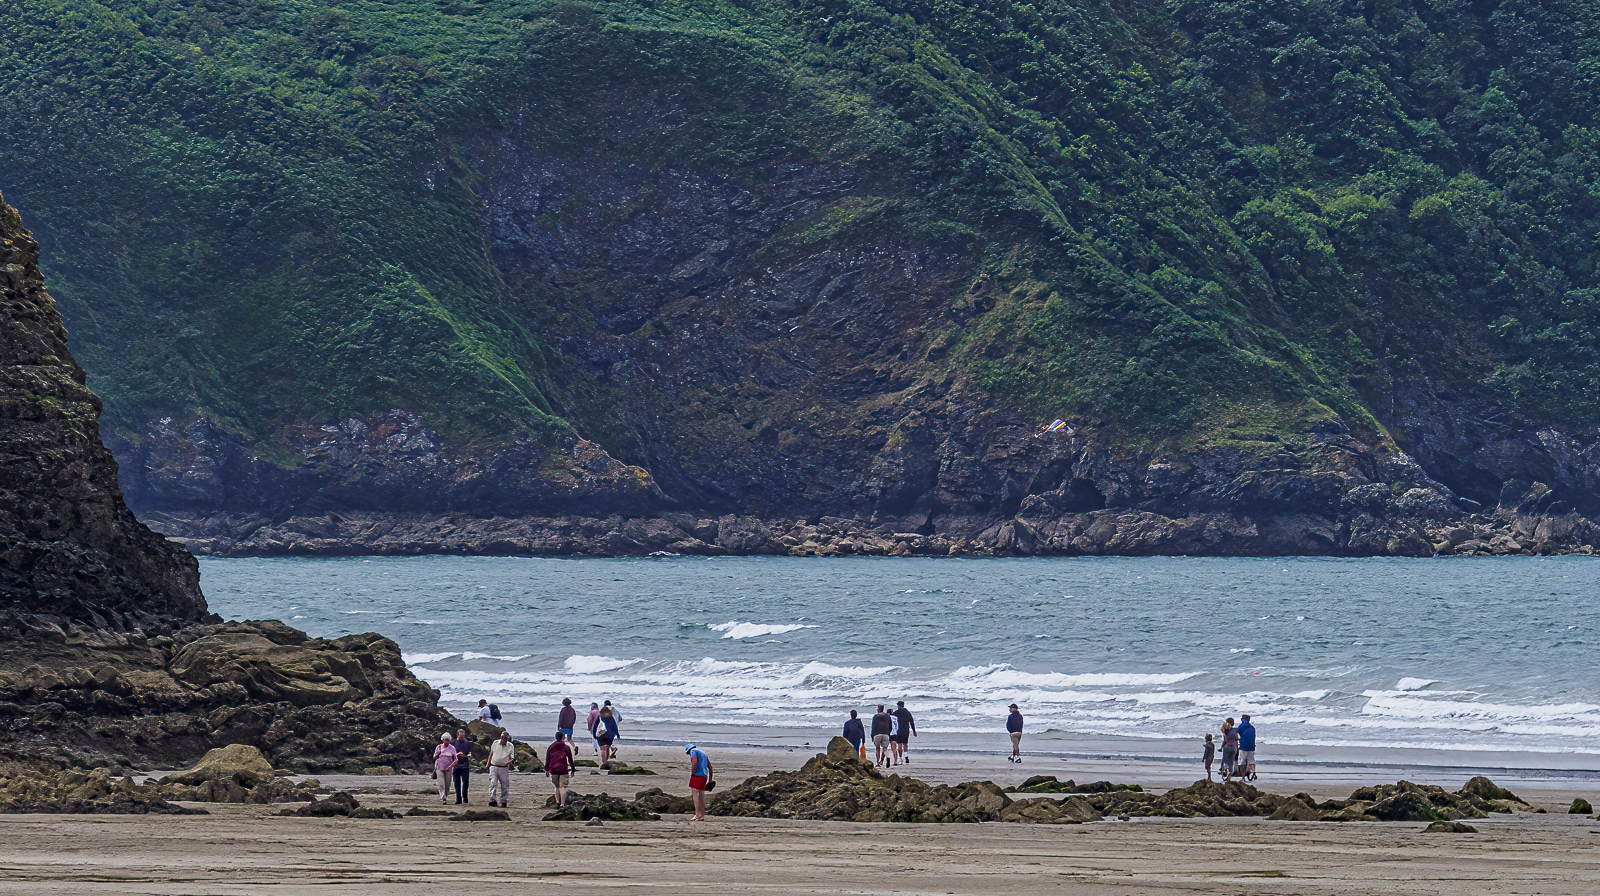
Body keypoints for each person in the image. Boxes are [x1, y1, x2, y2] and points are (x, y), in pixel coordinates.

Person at [545, 730, 575, 808]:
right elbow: (570, 759)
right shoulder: (566, 747)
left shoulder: (551, 747)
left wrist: (546, 769)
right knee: (563, 787)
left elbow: (548, 759)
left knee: (556, 786)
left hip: (553, 769)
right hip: (563, 769)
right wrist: (572, 769)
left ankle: (557, 802)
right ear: (563, 738)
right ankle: (562, 804)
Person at [485, 730, 515, 808]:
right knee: (493, 783)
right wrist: (488, 764)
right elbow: (491, 753)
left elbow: (512, 757)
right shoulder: (495, 743)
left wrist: (508, 762)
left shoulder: (510, 746)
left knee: (505, 784)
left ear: (507, 738)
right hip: (494, 766)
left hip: (503, 768)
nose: (502, 739)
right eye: (501, 737)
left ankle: (504, 800)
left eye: (504, 738)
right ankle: (492, 799)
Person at [686, 743, 714, 821]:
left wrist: (693, 773)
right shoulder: (703, 753)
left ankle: (697, 814)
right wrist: (710, 779)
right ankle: (702, 815)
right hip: (704, 776)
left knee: (695, 794)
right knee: (701, 795)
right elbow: (710, 767)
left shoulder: (693, 751)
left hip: (697, 775)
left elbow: (694, 761)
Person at [431, 733, 458, 805]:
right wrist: (437, 754)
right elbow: (434, 757)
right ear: (442, 740)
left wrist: (451, 765)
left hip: (448, 768)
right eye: (445, 740)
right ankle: (443, 797)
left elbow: (456, 759)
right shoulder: (439, 747)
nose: (446, 742)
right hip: (439, 767)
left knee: (447, 784)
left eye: (448, 740)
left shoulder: (452, 748)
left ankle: (445, 795)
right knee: (441, 784)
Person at [452, 726, 473, 803]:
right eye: (461, 735)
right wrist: (457, 754)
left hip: (465, 765)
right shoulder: (453, 743)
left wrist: (468, 755)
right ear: (458, 735)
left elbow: (470, 752)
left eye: (463, 735)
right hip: (456, 765)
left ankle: (465, 797)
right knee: (457, 783)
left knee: (466, 782)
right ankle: (458, 798)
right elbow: (451, 754)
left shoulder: (467, 743)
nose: (462, 737)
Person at [1237, 714, 1257, 781]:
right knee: (1251, 760)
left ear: (1242, 719)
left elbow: (1238, 736)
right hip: (1251, 746)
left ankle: (1243, 777)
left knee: (1242, 761)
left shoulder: (1240, 727)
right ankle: (1253, 772)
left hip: (1243, 746)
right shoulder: (1252, 727)